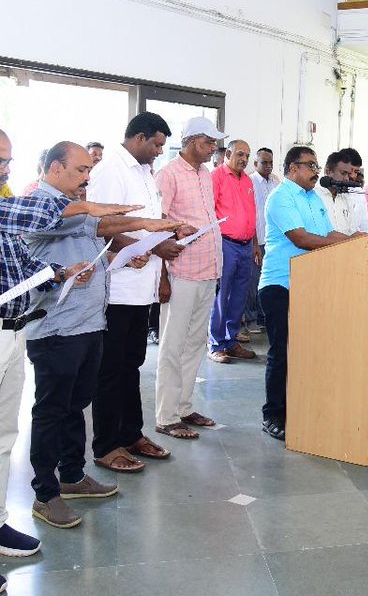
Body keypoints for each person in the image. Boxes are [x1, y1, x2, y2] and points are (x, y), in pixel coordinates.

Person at [0, 123, 134, 595]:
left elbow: (20, 267)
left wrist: (61, 273)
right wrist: (78, 204)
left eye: (8, 162)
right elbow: (29, 218)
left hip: (11, 334)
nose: (5, 170)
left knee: (0, 437)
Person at [22, 142, 186, 529]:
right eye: (80, 170)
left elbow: (95, 235)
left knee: (77, 404)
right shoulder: (42, 205)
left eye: (88, 170)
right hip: (56, 326)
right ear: (55, 167)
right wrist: (146, 224)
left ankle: (73, 476)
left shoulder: (78, 203)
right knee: (52, 411)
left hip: (89, 321)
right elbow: (90, 224)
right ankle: (45, 493)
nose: (87, 177)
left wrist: (120, 252)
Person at [86, 112, 186, 475]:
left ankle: (131, 434)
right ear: (140, 137)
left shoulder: (144, 173)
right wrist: (154, 248)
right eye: (157, 144)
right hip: (117, 288)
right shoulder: (111, 170)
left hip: (141, 288)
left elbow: (147, 227)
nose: (160, 151)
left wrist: (169, 236)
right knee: (110, 370)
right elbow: (99, 226)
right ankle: (106, 445)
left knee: (131, 366)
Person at [258, 147, 350, 441]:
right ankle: (273, 415)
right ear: (292, 168)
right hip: (279, 285)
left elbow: (327, 234)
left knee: (307, 353)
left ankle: (301, 409)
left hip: (310, 285)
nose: (316, 171)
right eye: (310, 165)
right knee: (282, 353)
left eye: (317, 165)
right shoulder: (281, 198)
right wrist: (345, 246)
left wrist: (357, 240)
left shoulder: (314, 198)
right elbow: (301, 239)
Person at [154, 117, 225, 436]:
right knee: (172, 346)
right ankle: (167, 416)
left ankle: (183, 406)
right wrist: (162, 277)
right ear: (194, 141)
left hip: (207, 271)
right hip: (180, 272)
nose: (214, 149)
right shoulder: (168, 174)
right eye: (210, 143)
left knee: (196, 342)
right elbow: (156, 222)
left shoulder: (205, 174)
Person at [208, 138, 259, 364]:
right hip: (225, 243)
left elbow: (252, 214)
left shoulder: (247, 180)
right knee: (221, 296)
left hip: (246, 245)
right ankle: (216, 344)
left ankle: (231, 341)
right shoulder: (217, 177)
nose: (244, 159)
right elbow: (209, 212)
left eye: (247, 156)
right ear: (227, 154)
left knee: (239, 296)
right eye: (240, 154)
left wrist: (255, 244)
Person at [244, 147, 280, 329]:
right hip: (256, 239)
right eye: (264, 162)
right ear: (256, 163)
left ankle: (262, 316)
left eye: (271, 162)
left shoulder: (275, 183)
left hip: (273, 240)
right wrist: (254, 242)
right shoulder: (249, 182)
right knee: (253, 281)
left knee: (268, 280)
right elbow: (250, 214)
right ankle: (250, 319)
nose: (268, 166)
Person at [315, 150, 368, 235]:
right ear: (328, 171)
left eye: (348, 174)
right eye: (343, 173)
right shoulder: (314, 195)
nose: (347, 178)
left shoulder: (345, 197)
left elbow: (353, 230)